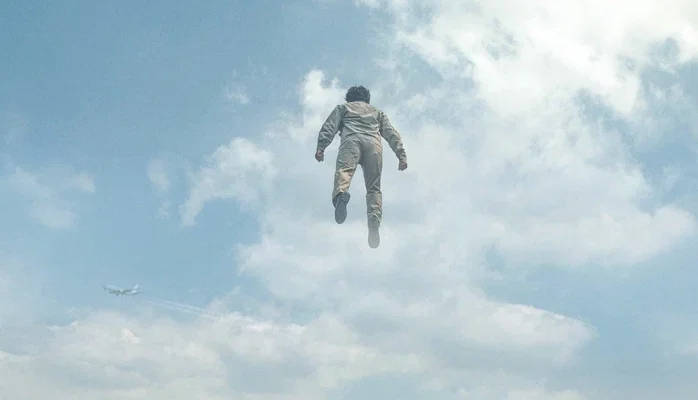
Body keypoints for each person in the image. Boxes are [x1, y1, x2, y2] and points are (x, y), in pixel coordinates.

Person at [314, 85, 408, 248]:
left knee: (344, 172)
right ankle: (374, 218)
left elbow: (330, 126)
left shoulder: (343, 108)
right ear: (367, 99)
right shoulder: (377, 112)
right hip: (373, 145)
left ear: (349, 98)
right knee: (374, 188)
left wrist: (321, 146)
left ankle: (341, 195)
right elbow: (391, 133)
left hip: (351, 142)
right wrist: (401, 155)